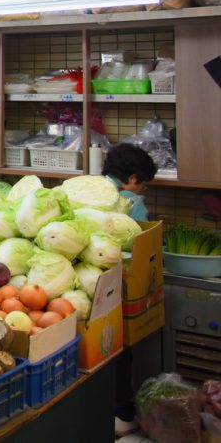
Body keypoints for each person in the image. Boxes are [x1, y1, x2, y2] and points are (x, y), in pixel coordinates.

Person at [105, 142, 157, 436]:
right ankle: (123, 414)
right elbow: (142, 245)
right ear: (134, 178)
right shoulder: (132, 204)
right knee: (120, 351)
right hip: (119, 290)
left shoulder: (88, 188)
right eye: (144, 184)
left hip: (85, 287)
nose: (142, 190)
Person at [103, 142, 156, 221]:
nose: (143, 189)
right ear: (132, 179)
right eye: (143, 184)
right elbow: (143, 231)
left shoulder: (90, 187)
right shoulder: (131, 202)